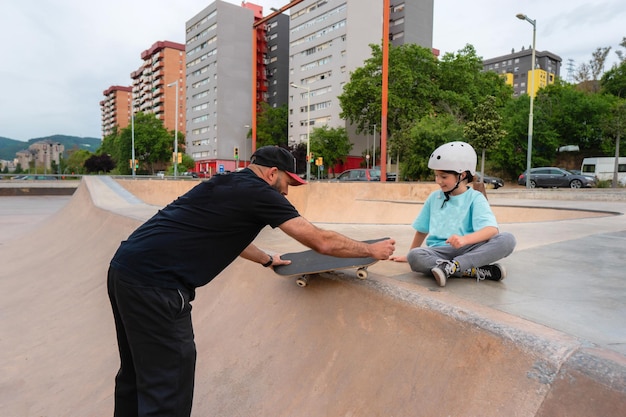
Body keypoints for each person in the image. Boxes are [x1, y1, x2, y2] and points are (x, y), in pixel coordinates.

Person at [107, 145, 396, 417]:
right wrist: (370, 250)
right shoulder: (262, 194)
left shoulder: (221, 184)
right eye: (288, 183)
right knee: (169, 381)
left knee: (135, 372)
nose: (287, 193)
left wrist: (267, 259)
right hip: (157, 285)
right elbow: (320, 241)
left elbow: (229, 236)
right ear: (272, 173)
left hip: (124, 269)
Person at [390, 141, 515, 287]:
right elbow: (422, 230)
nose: (438, 181)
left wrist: (464, 240)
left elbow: (491, 230)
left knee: (507, 240)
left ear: (461, 175)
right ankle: (469, 270)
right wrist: (409, 254)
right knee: (415, 256)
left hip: (469, 247)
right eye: (436, 176)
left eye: (443, 177)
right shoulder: (434, 198)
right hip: (439, 252)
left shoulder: (475, 198)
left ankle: (453, 266)